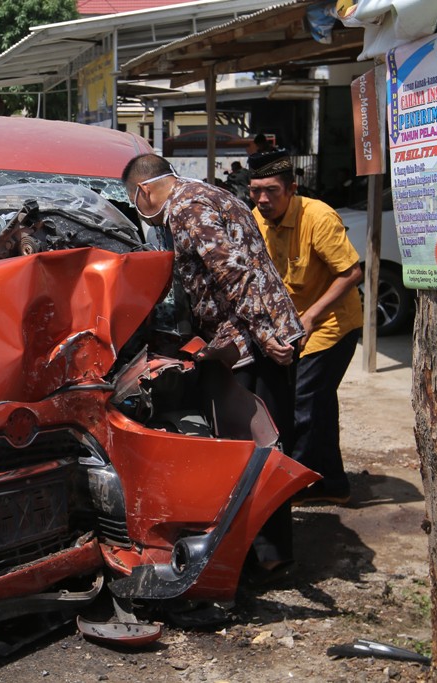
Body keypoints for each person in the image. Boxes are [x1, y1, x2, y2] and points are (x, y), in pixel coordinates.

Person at [122, 153, 305, 578]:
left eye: (136, 204)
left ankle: (270, 558)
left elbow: (231, 272)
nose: (143, 214)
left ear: (144, 191)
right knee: (267, 441)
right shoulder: (211, 193)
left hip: (252, 341)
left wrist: (264, 334)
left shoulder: (185, 208)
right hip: (263, 330)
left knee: (256, 447)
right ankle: (267, 549)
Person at [247, 148, 364, 505]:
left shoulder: (319, 217)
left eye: (272, 191)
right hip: (292, 327)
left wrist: (311, 316)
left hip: (330, 325)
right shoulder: (255, 218)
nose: (263, 199)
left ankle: (291, 485)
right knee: (318, 406)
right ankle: (334, 484)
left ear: (292, 189)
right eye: (255, 191)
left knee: (304, 404)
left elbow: (351, 272)